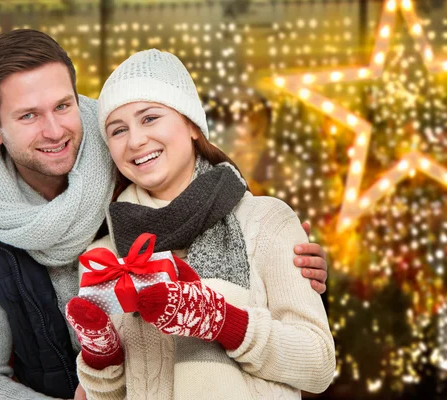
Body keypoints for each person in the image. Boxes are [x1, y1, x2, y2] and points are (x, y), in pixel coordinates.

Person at [0, 29, 330, 399]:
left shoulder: (142, 176)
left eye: (63, 106)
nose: (54, 130)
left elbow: (312, 355)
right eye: (28, 115)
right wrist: (102, 356)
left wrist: (291, 262)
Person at [65, 49, 335, 400]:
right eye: (118, 130)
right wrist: (103, 356)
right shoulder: (106, 258)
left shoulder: (267, 222)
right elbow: (108, 396)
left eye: (150, 118)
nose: (135, 141)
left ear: (191, 124)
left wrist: (219, 319)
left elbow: (318, 365)